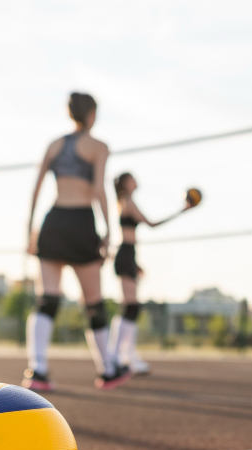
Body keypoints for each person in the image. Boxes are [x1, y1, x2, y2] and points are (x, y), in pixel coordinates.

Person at [23, 92, 130, 391]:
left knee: (48, 299)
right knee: (93, 303)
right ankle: (107, 370)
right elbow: (99, 190)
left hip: (54, 220)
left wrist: (29, 230)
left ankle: (37, 370)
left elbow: (36, 189)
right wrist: (109, 230)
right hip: (81, 221)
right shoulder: (99, 146)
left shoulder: (54, 145)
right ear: (92, 114)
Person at [108, 173, 191, 374]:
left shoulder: (123, 201)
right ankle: (121, 357)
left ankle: (123, 355)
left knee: (130, 307)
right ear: (126, 183)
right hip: (125, 253)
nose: (136, 181)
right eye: (132, 178)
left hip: (128, 254)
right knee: (131, 307)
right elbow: (151, 224)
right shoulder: (128, 201)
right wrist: (182, 210)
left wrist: (134, 262)